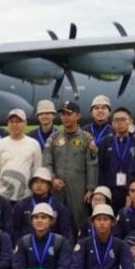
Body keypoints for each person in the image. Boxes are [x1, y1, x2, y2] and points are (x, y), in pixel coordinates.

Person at [44, 99, 98, 234]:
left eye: (69, 114)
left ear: (78, 116)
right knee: (56, 221)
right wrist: (52, 178)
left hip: (79, 189)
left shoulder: (87, 138)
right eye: (63, 114)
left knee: (78, 222)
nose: (65, 117)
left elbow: (92, 164)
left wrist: (90, 189)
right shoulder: (53, 138)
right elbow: (47, 162)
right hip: (57, 188)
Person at [9, 203, 73, 269]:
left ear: (51, 221)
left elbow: (64, 264)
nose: (39, 220)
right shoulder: (24, 241)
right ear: (32, 221)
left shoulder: (60, 241)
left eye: (43, 217)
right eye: (36, 217)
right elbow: (17, 263)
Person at [0, 109, 43, 201]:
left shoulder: (34, 144)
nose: (14, 125)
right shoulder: (0, 144)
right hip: (3, 196)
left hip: (25, 196)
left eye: (18, 122)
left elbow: (37, 170)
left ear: (25, 123)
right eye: (12, 122)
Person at [11, 168, 72, 242]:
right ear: (31, 185)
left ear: (49, 186)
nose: (39, 185)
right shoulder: (21, 205)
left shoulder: (59, 207)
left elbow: (65, 232)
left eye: (43, 182)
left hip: (52, 248)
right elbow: (15, 230)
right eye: (36, 182)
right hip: (27, 247)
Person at [99, 107, 135, 210]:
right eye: (116, 120)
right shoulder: (106, 142)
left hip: (131, 192)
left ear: (130, 121)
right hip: (110, 191)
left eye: (123, 120)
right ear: (112, 123)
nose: (120, 123)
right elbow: (100, 167)